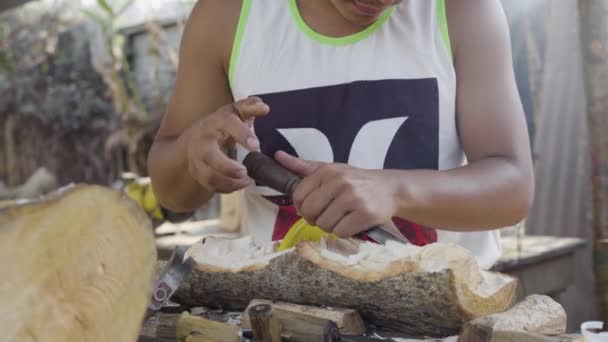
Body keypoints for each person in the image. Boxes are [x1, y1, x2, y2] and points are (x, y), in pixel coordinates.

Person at [147, 0, 535, 269]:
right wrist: (193, 155)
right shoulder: (226, 17)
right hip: (288, 317)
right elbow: (172, 193)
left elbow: (512, 187)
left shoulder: (462, 11)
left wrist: (395, 191)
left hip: (444, 320)